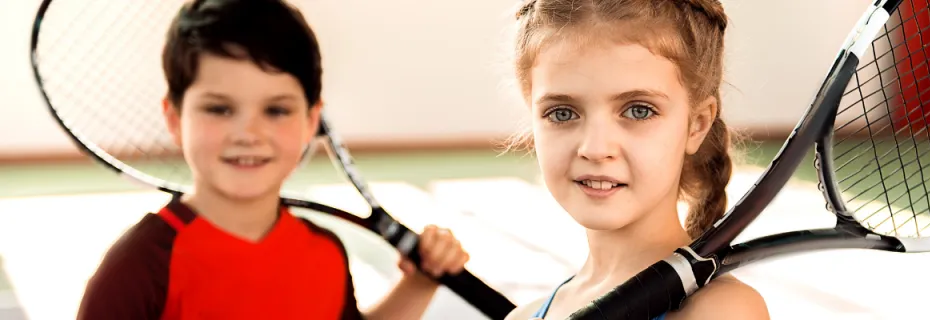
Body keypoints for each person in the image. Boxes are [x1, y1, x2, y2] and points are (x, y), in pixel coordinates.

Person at [76, 0, 469, 319]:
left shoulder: (325, 254)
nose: (249, 134)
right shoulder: (139, 268)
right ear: (175, 119)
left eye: (276, 110)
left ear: (311, 121)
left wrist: (419, 283)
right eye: (219, 109)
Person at [502, 0, 770, 319]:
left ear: (697, 124)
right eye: (562, 113)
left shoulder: (722, 310)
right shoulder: (523, 316)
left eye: (638, 110)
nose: (596, 148)